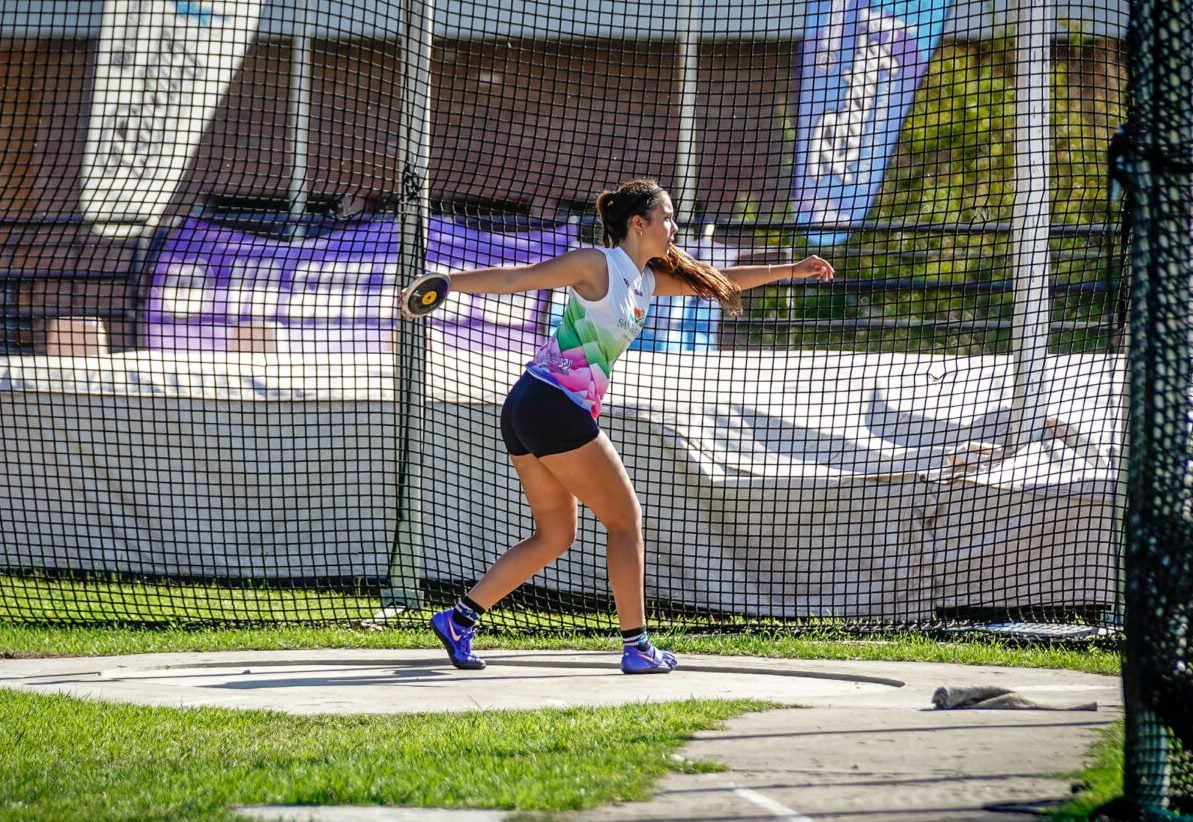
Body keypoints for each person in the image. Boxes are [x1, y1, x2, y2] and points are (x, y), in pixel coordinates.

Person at [416, 178, 835, 674]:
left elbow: (720, 280)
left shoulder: (646, 279)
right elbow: (516, 279)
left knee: (555, 535)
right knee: (625, 520)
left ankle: (459, 619)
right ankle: (636, 647)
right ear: (640, 224)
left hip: (533, 407)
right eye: (668, 217)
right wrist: (445, 283)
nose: (675, 227)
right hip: (550, 405)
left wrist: (792, 269)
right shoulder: (596, 264)